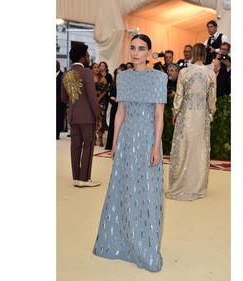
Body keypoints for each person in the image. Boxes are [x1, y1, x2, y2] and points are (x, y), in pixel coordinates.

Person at [93, 34, 168, 272]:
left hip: (147, 140)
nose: (136, 52)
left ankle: (145, 244)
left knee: (146, 191)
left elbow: (159, 115)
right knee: (124, 188)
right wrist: (114, 143)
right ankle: (122, 240)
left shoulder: (159, 77)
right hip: (126, 140)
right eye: (133, 48)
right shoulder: (122, 77)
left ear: (149, 52)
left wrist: (156, 146)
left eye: (141, 48)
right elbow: (120, 113)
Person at [166, 43, 216, 201]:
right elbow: (212, 99)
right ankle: (196, 185)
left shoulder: (185, 72)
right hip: (201, 115)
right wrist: (210, 113)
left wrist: (175, 111)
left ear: (193, 53)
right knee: (199, 148)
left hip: (186, 114)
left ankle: (179, 183)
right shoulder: (211, 73)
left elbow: (179, 95)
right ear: (205, 54)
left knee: (183, 146)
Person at [61, 43, 101, 188]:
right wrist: (98, 116)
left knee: (75, 147)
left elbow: (64, 98)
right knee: (88, 146)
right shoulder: (87, 73)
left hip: (73, 116)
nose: (89, 58)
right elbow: (92, 97)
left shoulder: (66, 73)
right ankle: (84, 179)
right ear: (82, 58)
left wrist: (75, 103)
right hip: (87, 117)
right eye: (88, 56)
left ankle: (76, 178)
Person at [162, 63, 180, 155]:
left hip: (176, 112)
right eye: (168, 71)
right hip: (164, 111)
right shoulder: (164, 81)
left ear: (177, 72)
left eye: (172, 71)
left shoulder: (181, 82)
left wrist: (175, 94)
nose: (169, 73)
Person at [104, 67, 122, 150]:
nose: (119, 75)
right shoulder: (113, 84)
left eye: (121, 73)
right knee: (112, 125)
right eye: (117, 73)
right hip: (114, 107)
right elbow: (109, 97)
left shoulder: (127, 84)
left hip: (123, 108)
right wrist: (114, 99)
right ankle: (110, 144)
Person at [91, 62, 108, 147]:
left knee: (100, 119)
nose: (97, 69)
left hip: (101, 102)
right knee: (92, 119)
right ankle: (93, 138)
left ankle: (100, 139)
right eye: (95, 67)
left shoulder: (103, 79)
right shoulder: (89, 78)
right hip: (91, 102)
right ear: (92, 69)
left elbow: (106, 90)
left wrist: (99, 98)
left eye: (98, 67)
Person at [56, 60, 66, 140]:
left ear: (59, 66)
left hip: (59, 101)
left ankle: (56, 134)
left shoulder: (63, 75)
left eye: (56, 65)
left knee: (58, 117)